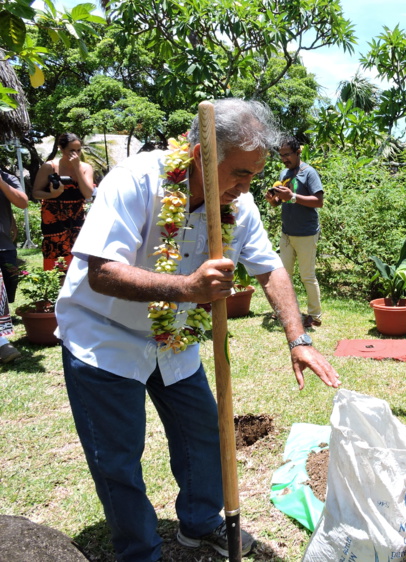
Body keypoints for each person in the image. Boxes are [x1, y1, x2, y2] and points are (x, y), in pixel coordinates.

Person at [55, 99, 340, 562]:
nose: (246, 187)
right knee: (118, 459)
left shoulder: (238, 205)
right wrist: (186, 287)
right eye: (240, 173)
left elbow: (270, 270)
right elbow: (101, 272)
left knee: (205, 432)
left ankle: (202, 522)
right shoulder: (136, 179)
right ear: (198, 154)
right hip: (102, 339)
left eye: (253, 175)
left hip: (172, 341)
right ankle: (140, 552)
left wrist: (298, 338)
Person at [264, 136, 324, 329]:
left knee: (307, 276)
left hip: (306, 232)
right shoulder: (284, 173)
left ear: (298, 152)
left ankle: (314, 316)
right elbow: (282, 202)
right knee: (284, 275)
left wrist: (293, 196)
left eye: (287, 154)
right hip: (287, 233)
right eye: (281, 155)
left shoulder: (309, 173)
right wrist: (273, 201)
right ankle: (284, 310)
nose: (284, 159)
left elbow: (319, 201)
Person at [32, 132, 94, 270]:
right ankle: (57, 287)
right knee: (56, 257)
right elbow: (36, 192)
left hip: (76, 218)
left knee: (78, 256)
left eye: (78, 150)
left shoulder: (86, 168)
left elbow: (88, 193)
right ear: (61, 148)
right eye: (72, 150)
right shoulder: (50, 167)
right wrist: (53, 194)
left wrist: (77, 168)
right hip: (53, 219)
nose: (76, 154)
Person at [0, 167, 28, 363]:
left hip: (4, 244)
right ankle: (2, 343)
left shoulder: (6, 177)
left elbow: (22, 202)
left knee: (9, 286)